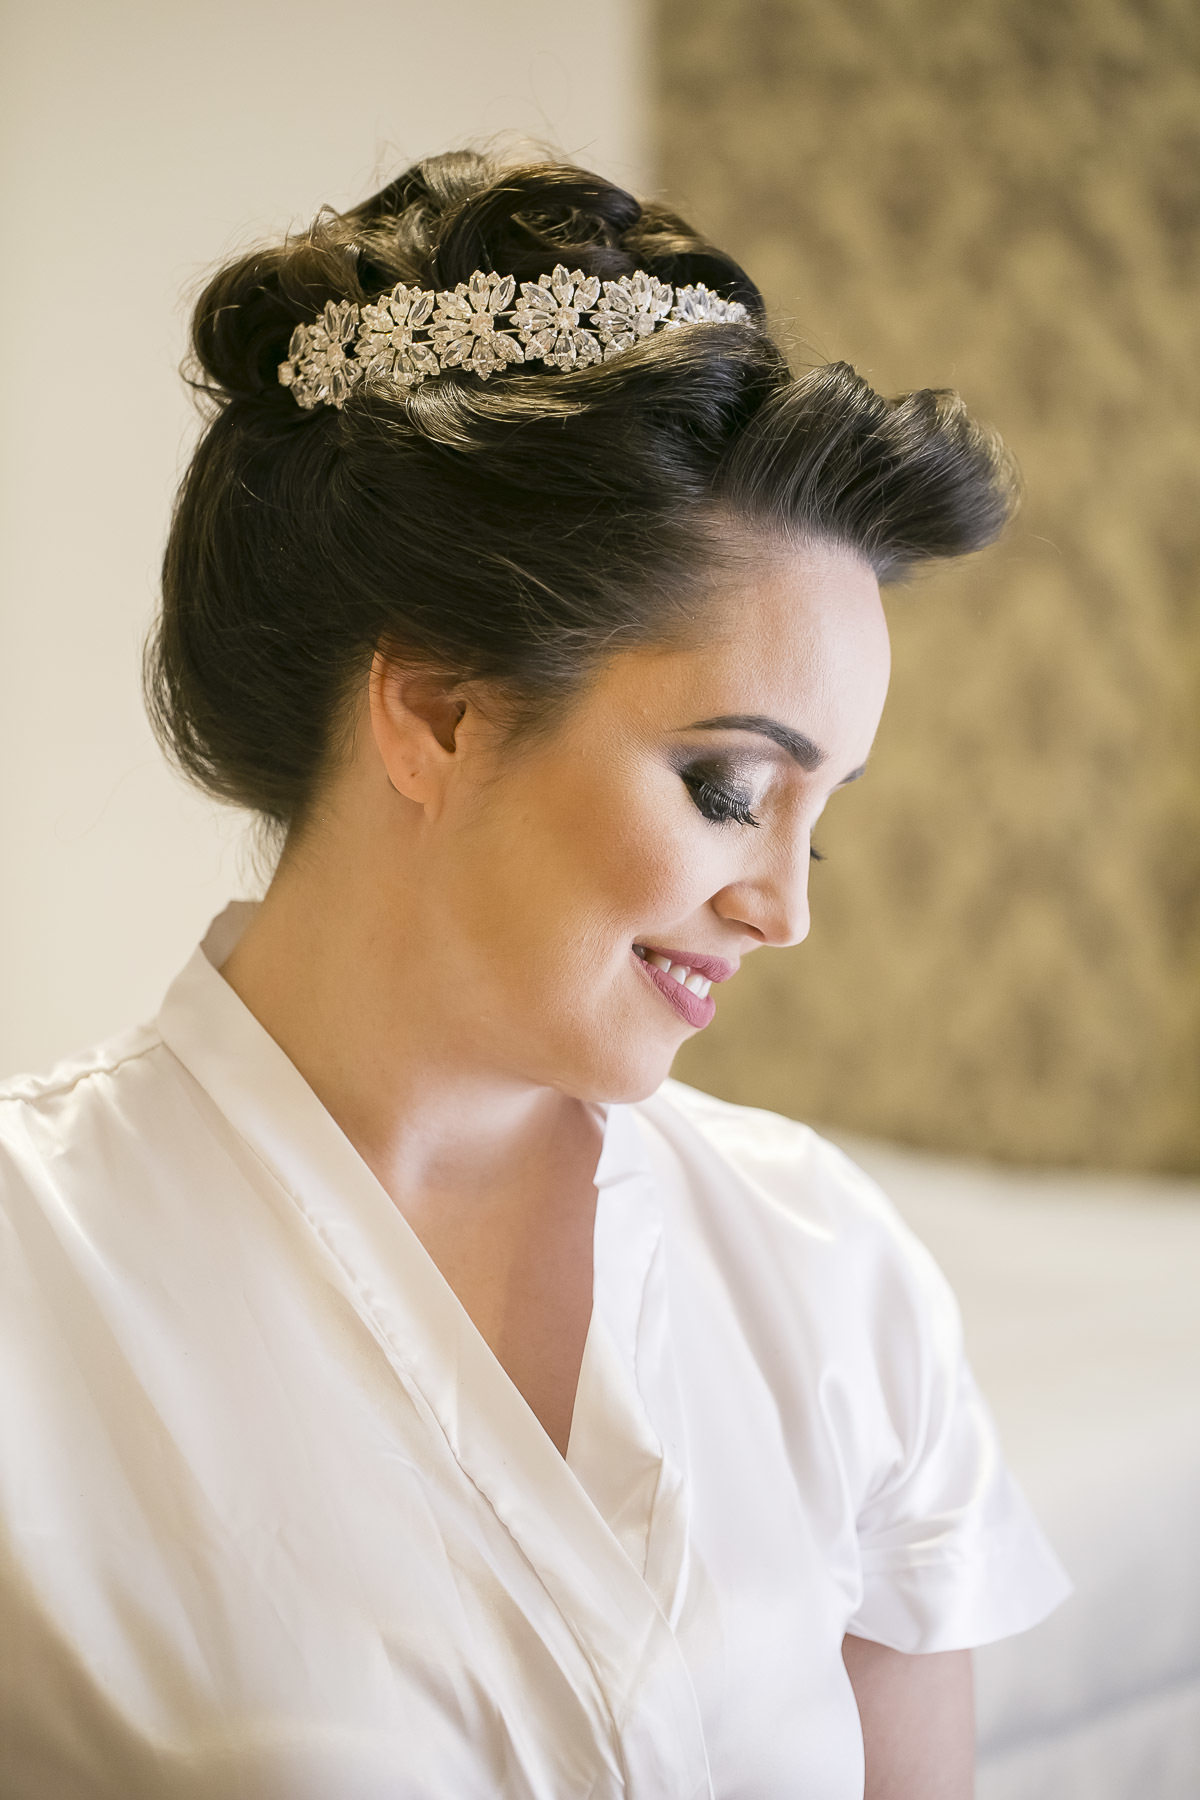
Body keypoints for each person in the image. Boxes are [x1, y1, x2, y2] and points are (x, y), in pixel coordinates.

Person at [0, 148, 1070, 1800]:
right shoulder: (34, 1281)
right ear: (436, 713)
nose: (785, 910)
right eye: (728, 788)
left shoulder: (827, 1270)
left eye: (825, 818)